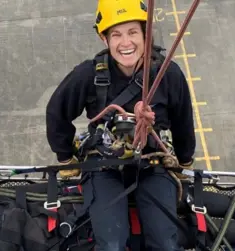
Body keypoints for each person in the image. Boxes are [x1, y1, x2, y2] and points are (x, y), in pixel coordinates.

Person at [45, 0, 196, 250]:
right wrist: (65, 157)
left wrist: (183, 159)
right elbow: (56, 111)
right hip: (104, 166)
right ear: (105, 40)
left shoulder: (167, 75)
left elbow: (182, 120)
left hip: (152, 162)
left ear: (146, 35)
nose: (126, 43)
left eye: (133, 32)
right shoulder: (90, 75)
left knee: (166, 245)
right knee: (112, 244)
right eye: (116, 35)